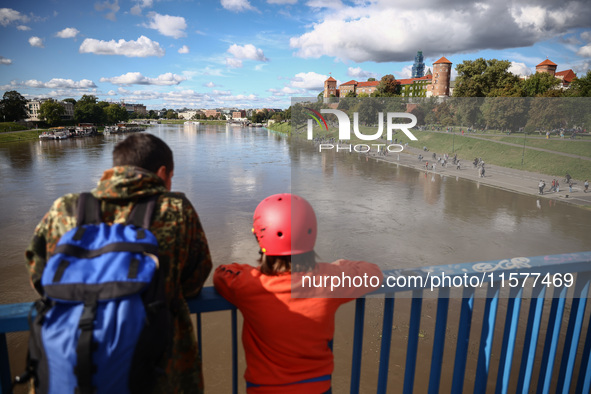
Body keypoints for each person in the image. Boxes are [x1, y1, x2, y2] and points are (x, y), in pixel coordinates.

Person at [25, 133, 213, 393]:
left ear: (114, 169)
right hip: (161, 368)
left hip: (72, 365)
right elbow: (195, 279)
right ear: (162, 172)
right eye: (171, 176)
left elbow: (40, 275)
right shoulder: (176, 209)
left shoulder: (64, 208)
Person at [214, 194, 383, 394]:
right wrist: (340, 265)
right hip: (318, 388)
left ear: (259, 237)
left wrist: (250, 271)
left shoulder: (249, 285)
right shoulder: (329, 280)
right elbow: (374, 274)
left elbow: (221, 274)